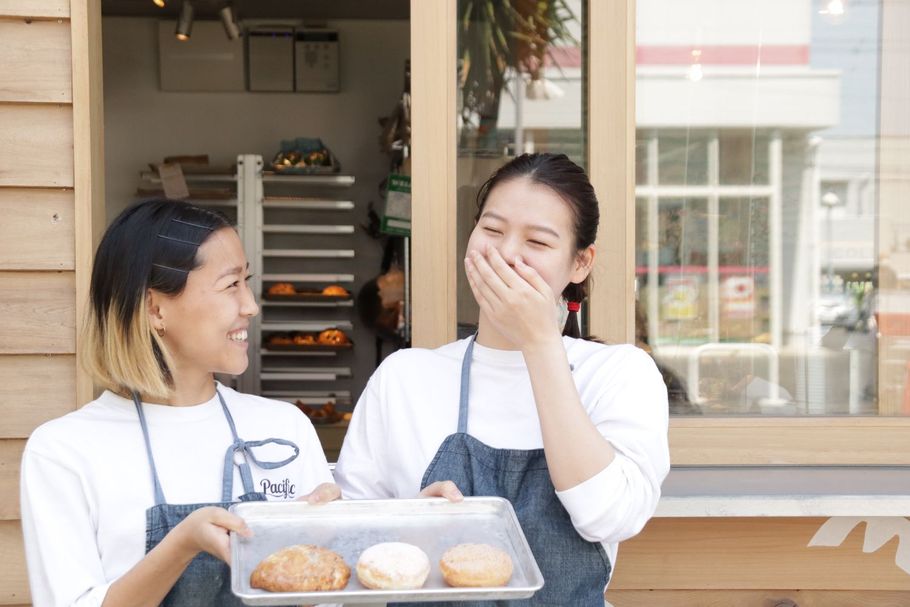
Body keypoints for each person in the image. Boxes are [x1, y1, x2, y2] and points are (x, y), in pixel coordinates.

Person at [334, 153, 671, 605]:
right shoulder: (404, 377)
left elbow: (607, 516)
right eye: (492, 230)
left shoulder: (618, 373)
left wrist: (539, 344)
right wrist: (411, 523)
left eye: (538, 241)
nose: (506, 253)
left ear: (580, 264)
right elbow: (350, 546)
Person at [20, 199, 338, 607]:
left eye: (248, 281)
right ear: (155, 309)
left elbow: (326, 600)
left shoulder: (284, 428)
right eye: (231, 285)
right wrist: (183, 543)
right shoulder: (65, 451)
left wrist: (325, 538)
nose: (251, 305)